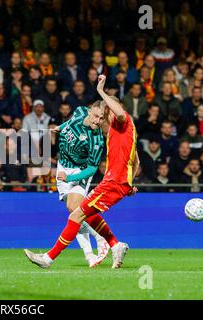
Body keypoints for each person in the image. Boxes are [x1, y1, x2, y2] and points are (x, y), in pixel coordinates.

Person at [24, 75, 139, 269]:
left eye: (105, 113)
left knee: (75, 216)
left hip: (112, 182)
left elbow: (118, 113)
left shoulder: (123, 121)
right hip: (116, 183)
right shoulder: (120, 131)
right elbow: (136, 160)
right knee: (83, 213)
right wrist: (129, 183)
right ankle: (115, 244)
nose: (103, 119)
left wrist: (101, 90)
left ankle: (48, 259)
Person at [32, 100, 110, 267]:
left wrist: (69, 179)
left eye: (102, 118)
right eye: (96, 116)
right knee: (75, 212)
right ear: (89, 112)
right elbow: (71, 121)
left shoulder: (96, 140)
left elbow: (91, 170)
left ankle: (99, 238)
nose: (97, 121)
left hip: (80, 172)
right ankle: (90, 255)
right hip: (63, 165)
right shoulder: (80, 110)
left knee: (74, 209)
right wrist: (60, 128)